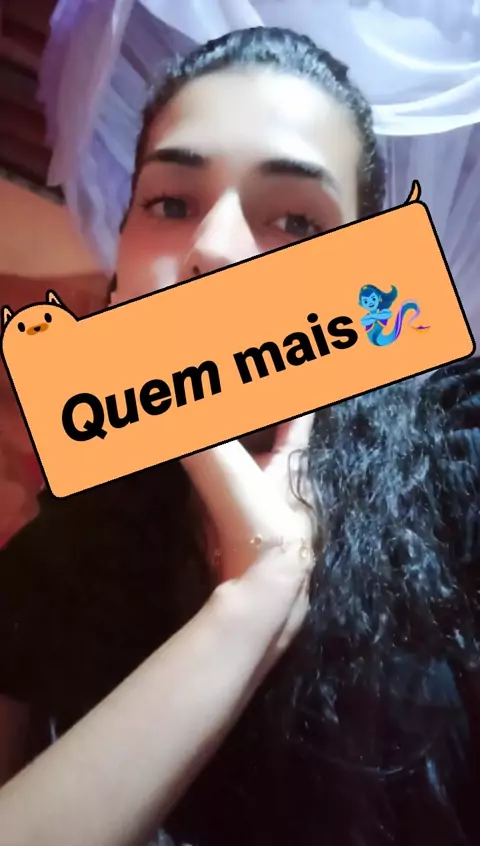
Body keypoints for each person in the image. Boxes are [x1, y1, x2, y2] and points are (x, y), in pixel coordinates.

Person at [0, 25, 480, 846]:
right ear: (120, 261)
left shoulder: (460, 469)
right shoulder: (57, 557)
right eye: (170, 204)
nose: (215, 249)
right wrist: (259, 596)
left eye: (294, 218)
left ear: (366, 267)